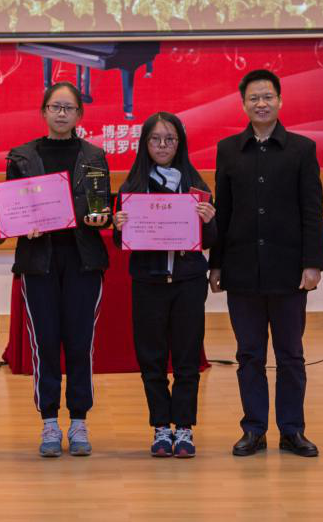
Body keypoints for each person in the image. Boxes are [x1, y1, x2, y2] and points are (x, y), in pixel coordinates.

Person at [209, 69, 323, 458]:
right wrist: (216, 264)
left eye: (267, 97)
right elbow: (223, 212)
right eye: (254, 98)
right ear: (243, 104)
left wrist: (313, 263)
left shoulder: (302, 149)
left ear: (280, 101)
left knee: (291, 355)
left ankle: (292, 430)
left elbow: (312, 210)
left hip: (288, 271)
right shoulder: (228, 149)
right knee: (249, 355)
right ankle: (254, 429)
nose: (261, 103)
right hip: (242, 270)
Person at [6, 81, 111, 457]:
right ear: (44, 112)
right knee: (45, 342)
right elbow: (13, 209)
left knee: (81, 343)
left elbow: (101, 206)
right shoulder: (22, 157)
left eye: (69, 108)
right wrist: (23, 225)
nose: (62, 113)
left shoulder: (94, 155)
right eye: (55, 107)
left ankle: (79, 420)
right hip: (39, 261)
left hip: (83, 260)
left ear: (79, 114)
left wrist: (101, 217)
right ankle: (49, 421)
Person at [112, 112, 217, 458]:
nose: (162, 145)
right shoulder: (132, 188)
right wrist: (119, 225)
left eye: (169, 139)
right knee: (152, 357)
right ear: (145, 144)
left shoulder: (196, 188)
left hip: (188, 283)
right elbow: (121, 242)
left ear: (180, 143)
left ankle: (184, 427)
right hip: (148, 283)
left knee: (187, 356)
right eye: (155, 139)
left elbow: (210, 239)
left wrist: (209, 221)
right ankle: (160, 426)